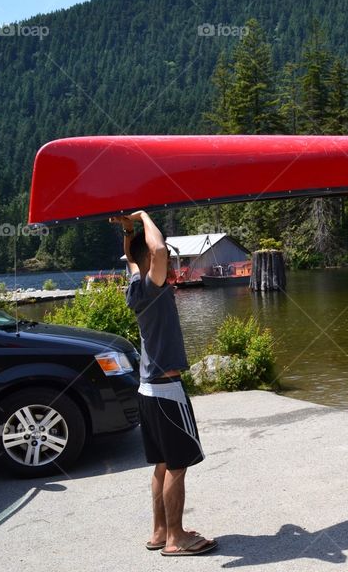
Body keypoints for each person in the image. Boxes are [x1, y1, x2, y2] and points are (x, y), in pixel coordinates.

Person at [110, 211, 217, 557]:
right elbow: (155, 251)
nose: (168, 262)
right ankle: (176, 538)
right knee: (177, 465)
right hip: (167, 392)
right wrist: (143, 217)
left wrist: (128, 231)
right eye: (166, 258)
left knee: (161, 464)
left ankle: (159, 531)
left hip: (147, 390)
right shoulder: (152, 286)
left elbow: (135, 256)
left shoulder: (136, 285)